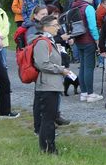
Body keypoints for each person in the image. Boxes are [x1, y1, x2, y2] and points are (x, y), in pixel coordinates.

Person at [31, 15, 75, 154]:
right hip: (47, 84)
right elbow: (42, 64)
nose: (58, 28)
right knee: (48, 118)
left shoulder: (49, 41)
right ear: (46, 27)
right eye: (55, 25)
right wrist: (61, 69)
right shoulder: (42, 42)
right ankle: (49, 148)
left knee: (49, 117)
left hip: (52, 84)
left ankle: (47, 147)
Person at [68, 0, 101, 101]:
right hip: (88, 40)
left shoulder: (74, 5)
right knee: (89, 67)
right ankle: (90, 93)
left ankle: (84, 92)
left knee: (82, 67)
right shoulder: (88, 8)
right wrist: (97, 40)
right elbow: (92, 26)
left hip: (79, 39)